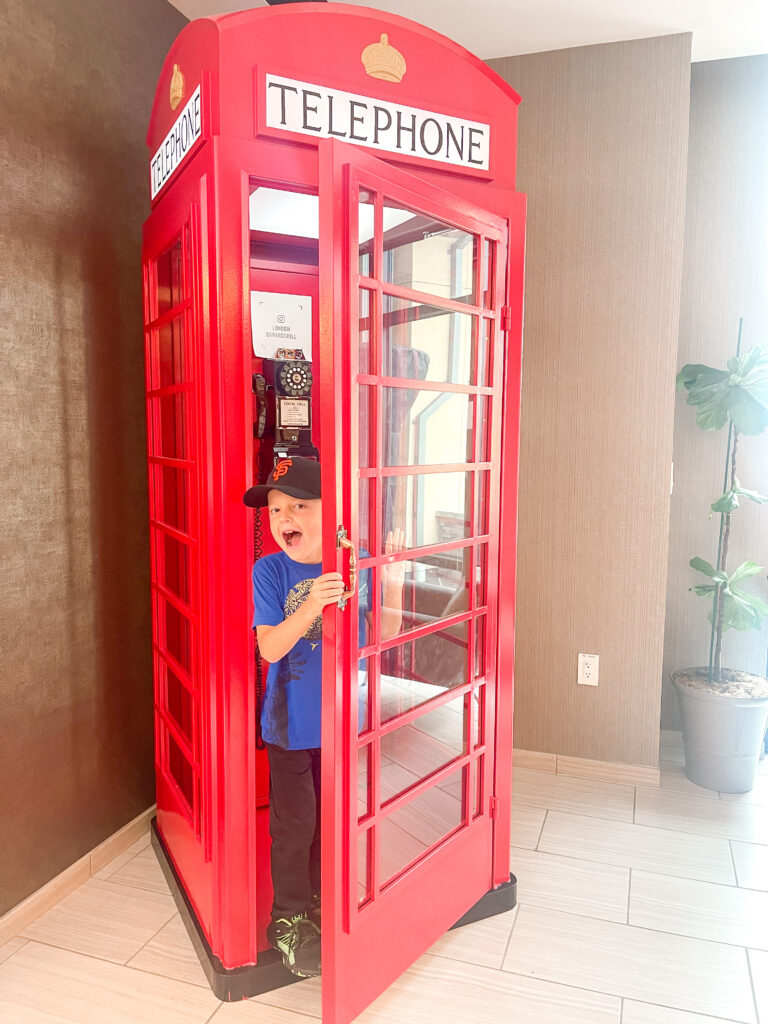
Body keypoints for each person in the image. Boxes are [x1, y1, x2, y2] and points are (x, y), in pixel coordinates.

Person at [243, 456, 404, 978]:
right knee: (296, 826)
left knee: (331, 822)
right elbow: (269, 648)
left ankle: (319, 904)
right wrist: (310, 604)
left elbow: (387, 634)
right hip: (290, 728)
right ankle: (287, 919)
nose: (284, 517)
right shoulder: (269, 570)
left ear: (328, 510)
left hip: (342, 724)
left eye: (299, 506)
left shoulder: (352, 565)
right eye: (275, 508)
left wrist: (393, 577)